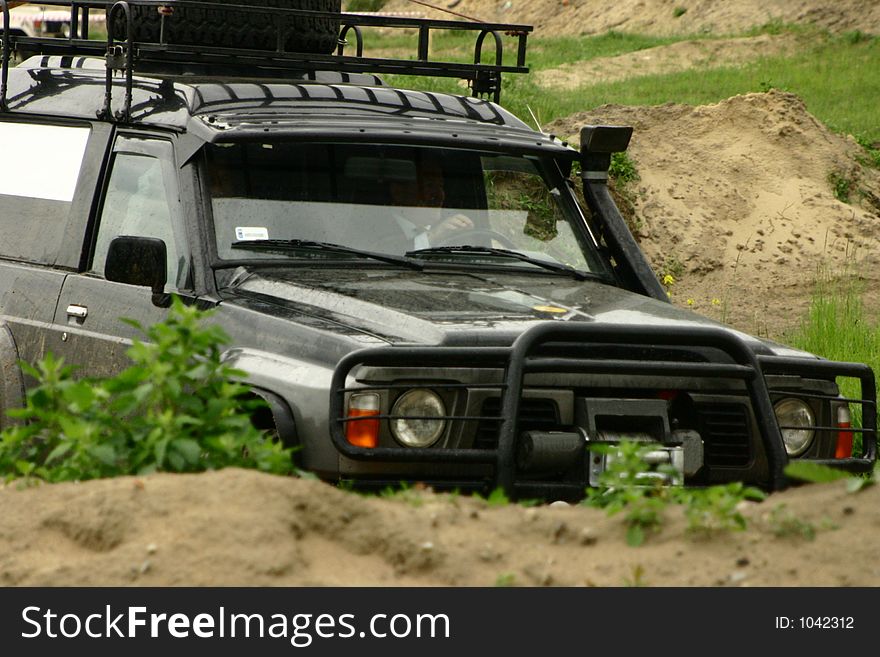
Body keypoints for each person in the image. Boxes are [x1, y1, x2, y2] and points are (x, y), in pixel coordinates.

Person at [385, 154, 474, 251]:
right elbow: (380, 254)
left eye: (440, 186)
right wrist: (433, 237)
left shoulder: (448, 230)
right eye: (429, 185)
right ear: (398, 192)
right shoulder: (374, 223)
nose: (440, 195)